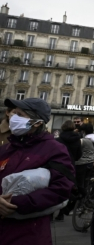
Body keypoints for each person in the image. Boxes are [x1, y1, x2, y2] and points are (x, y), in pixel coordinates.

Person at [0, 98, 74, 245]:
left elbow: (62, 188)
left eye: (20, 114)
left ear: (38, 122)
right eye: (13, 113)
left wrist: (14, 203)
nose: (13, 118)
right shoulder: (5, 149)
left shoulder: (54, 149)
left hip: (29, 234)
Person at [55, 120, 82, 221]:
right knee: (67, 188)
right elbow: (79, 154)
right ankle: (61, 213)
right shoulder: (77, 139)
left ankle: (51, 211)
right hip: (71, 166)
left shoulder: (58, 140)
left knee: (55, 186)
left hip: (58, 165)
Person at [74, 123, 94, 196]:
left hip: (81, 164)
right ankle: (85, 200)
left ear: (83, 131)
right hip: (91, 162)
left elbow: (77, 151)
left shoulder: (82, 140)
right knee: (86, 182)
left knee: (79, 183)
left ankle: (80, 198)